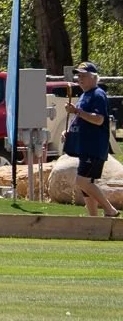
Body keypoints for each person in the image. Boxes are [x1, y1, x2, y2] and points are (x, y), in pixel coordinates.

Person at [64, 61, 119, 218]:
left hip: (94, 148)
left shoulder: (98, 95)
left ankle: (110, 210)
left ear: (94, 77)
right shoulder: (84, 95)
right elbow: (80, 120)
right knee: (86, 185)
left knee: (82, 181)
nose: (80, 79)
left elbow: (99, 119)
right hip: (85, 147)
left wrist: (77, 111)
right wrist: (68, 132)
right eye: (78, 76)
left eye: (84, 75)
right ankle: (93, 219)